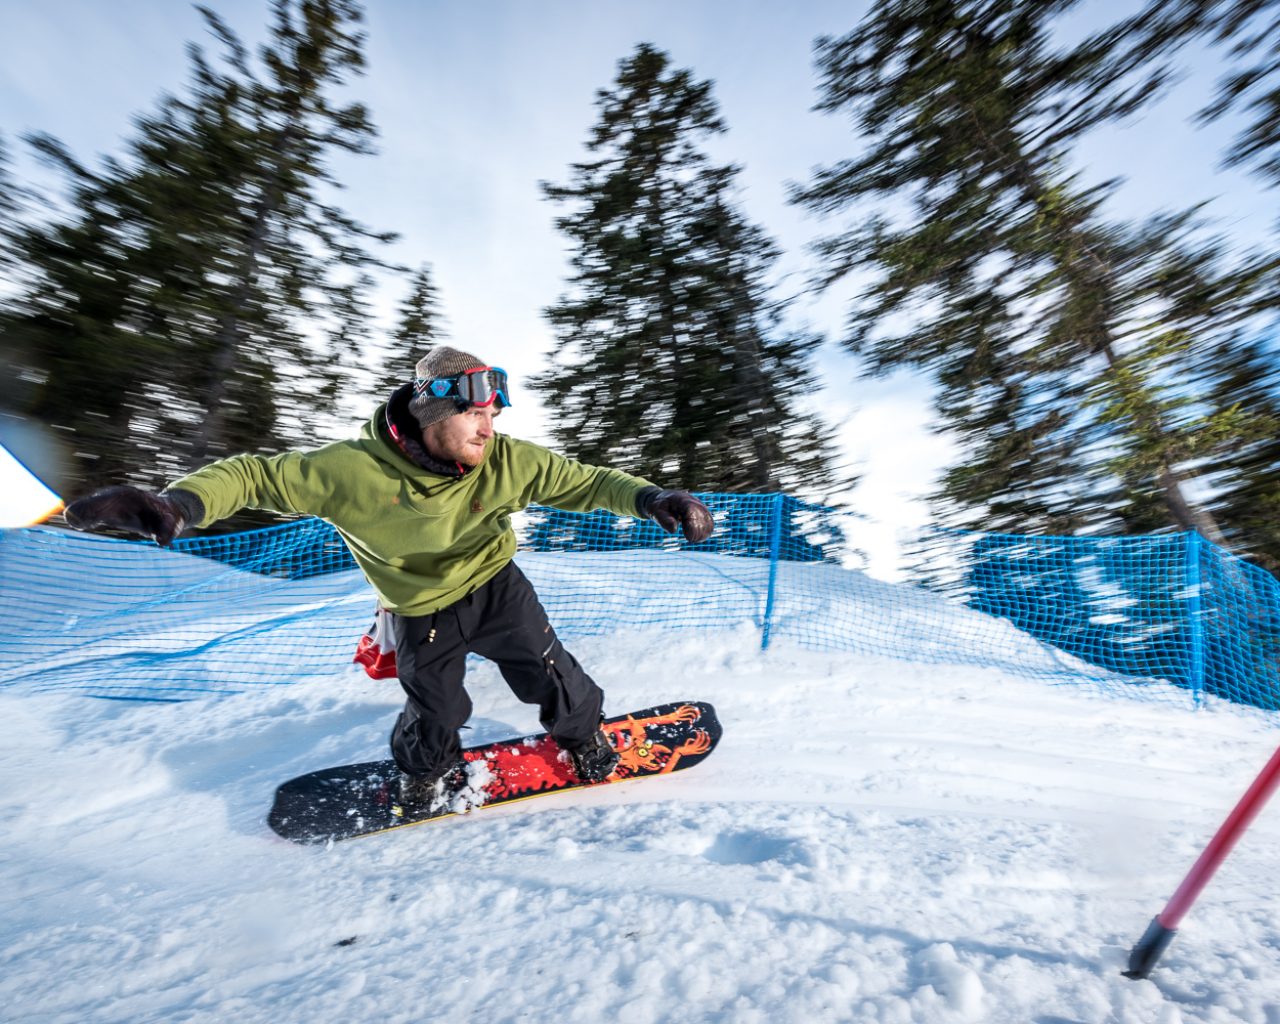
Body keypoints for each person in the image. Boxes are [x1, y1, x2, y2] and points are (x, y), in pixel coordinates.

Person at [64, 346, 714, 806]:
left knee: (550, 672)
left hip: (495, 585)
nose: (489, 429)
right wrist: (180, 504)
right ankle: (424, 773)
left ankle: (584, 739)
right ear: (432, 410)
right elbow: (255, 475)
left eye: (494, 417)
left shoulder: (505, 461)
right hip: (418, 607)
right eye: (477, 415)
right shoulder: (352, 472)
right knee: (437, 708)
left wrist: (652, 498)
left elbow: (584, 481)